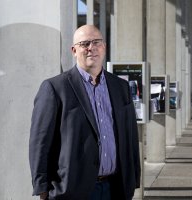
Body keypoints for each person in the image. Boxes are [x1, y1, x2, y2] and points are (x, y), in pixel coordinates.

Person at [29, 25, 140, 200]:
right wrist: (42, 188)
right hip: (73, 190)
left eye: (96, 42)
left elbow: (131, 135)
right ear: (74, 50)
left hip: (116, 188)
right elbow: (40, 143)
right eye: (84, 43)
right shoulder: (55, 88)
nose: (91, 48)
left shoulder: (121, 87)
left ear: (104, 47)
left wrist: (133, 178)